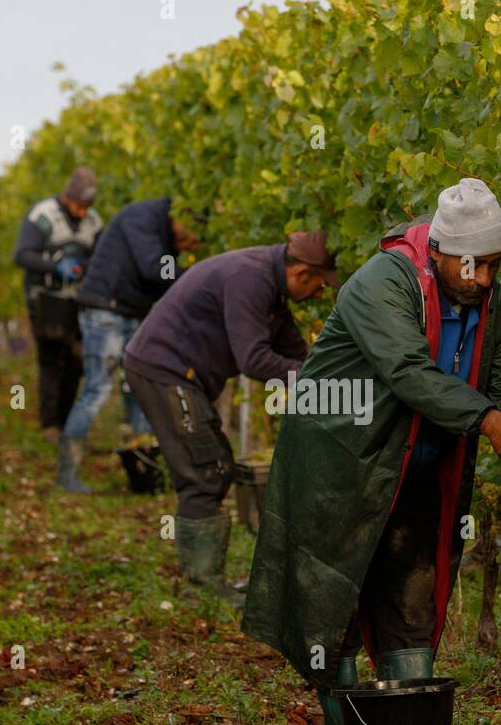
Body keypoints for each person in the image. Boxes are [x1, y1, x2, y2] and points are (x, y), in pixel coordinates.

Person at [241, 179, 501, 725]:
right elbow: (408, 373)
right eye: (472, 264)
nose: (483, 279)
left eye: (492, 265)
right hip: (340, 461)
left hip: (416, 466)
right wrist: (488, 420)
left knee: (411, 597)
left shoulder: (499, 307)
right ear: (437, 249)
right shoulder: (383, 283)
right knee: (336, 596)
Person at [123, 231, 339, 598]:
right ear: (302, 272)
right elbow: (254, 360)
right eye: (319, 285)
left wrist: (338, 380)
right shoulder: (250, 278)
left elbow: (297, 355)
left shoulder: (271, 289)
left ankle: (205, 583)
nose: (319, 294)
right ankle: (201, 589)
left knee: (212, 467)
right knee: (207, 470)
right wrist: (311, 379)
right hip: (163, 369)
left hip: (178, 374)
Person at [57, 197, 200, 493]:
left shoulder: (162, 229)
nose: (189, 249)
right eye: (191, 241)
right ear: (183, 220)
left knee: (139, 387)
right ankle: (67, 475)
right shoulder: (143, 220)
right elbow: (155, 270)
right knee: (96, 391)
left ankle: (145, 476)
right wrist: (198, 279)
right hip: (105, 313)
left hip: (130, 312)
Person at [13, 167, 103, 439]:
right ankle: (50, 424)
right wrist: (54, 267)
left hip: (78, 303)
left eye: (87, 206)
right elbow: (22, 255)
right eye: (79, 205)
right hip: (46, 301)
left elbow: (101, 258)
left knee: (76, 362)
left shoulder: (94, 222)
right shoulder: (42, 216)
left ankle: (65, 422)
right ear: (67, 197)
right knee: (51, 360)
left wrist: (84, 268)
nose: (82, 212)